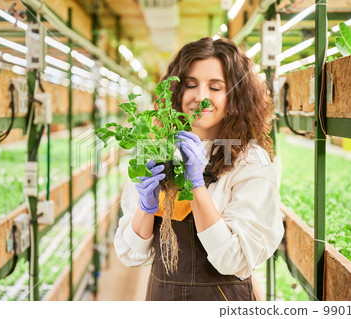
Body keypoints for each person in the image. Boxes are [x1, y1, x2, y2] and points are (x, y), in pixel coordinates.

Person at [114, 37, 284, 301]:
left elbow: (235, 259)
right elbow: (130, 254)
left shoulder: (250, 161)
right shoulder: (158, 152)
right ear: (177, 92)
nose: (200, 97)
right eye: (190, 85)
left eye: (215, 87)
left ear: (235, 96)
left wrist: (196, 186)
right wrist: (145, 210)